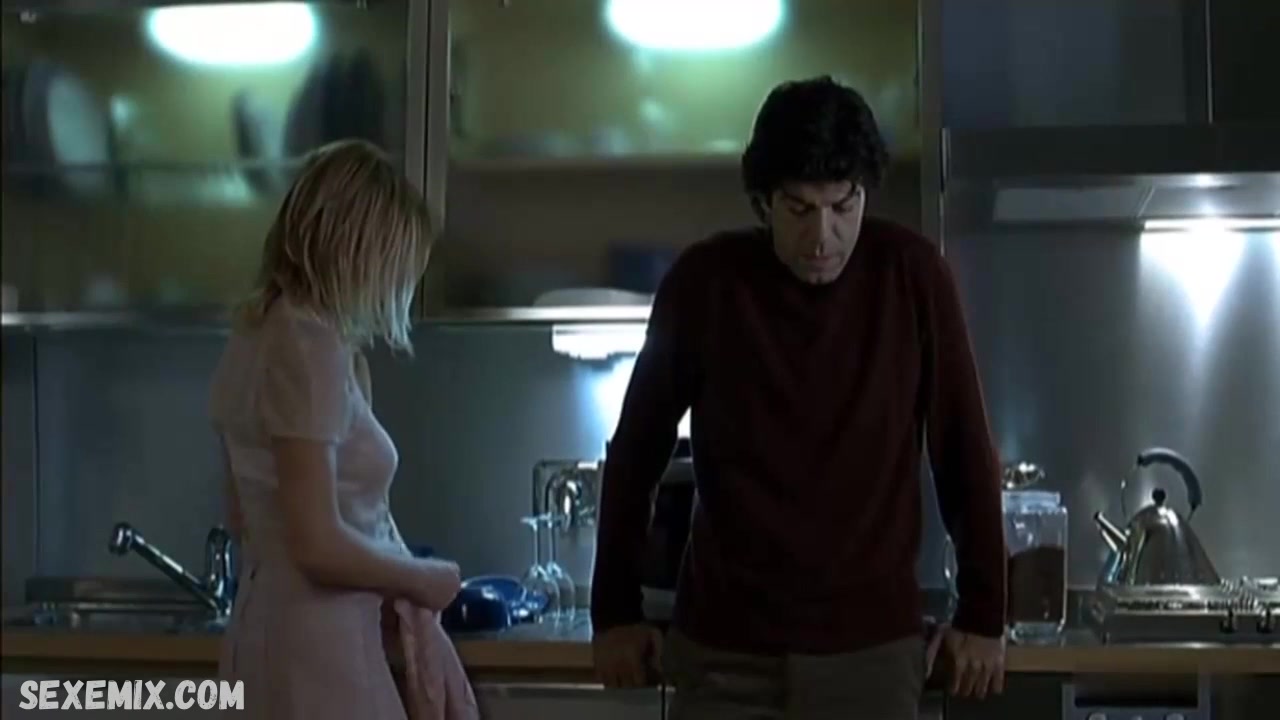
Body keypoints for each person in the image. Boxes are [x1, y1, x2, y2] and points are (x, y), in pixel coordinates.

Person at [590, 77, 1007, 719]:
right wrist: (615, 611)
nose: (823, 236)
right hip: (724, 654)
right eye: (800, 209)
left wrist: (983, 614)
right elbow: (636, 454)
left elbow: (964, 451)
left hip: (870, 655)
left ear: (864, 194)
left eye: (843, 206)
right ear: (764, 203)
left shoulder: (913, 276)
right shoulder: (705, 283)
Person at [209, 139, 478, 719]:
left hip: (261, 626)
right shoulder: (309, 343)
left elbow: (241, 514)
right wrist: (421, 578)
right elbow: (316, 542)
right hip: (322, 647)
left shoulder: (253, 333)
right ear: (358, 248)